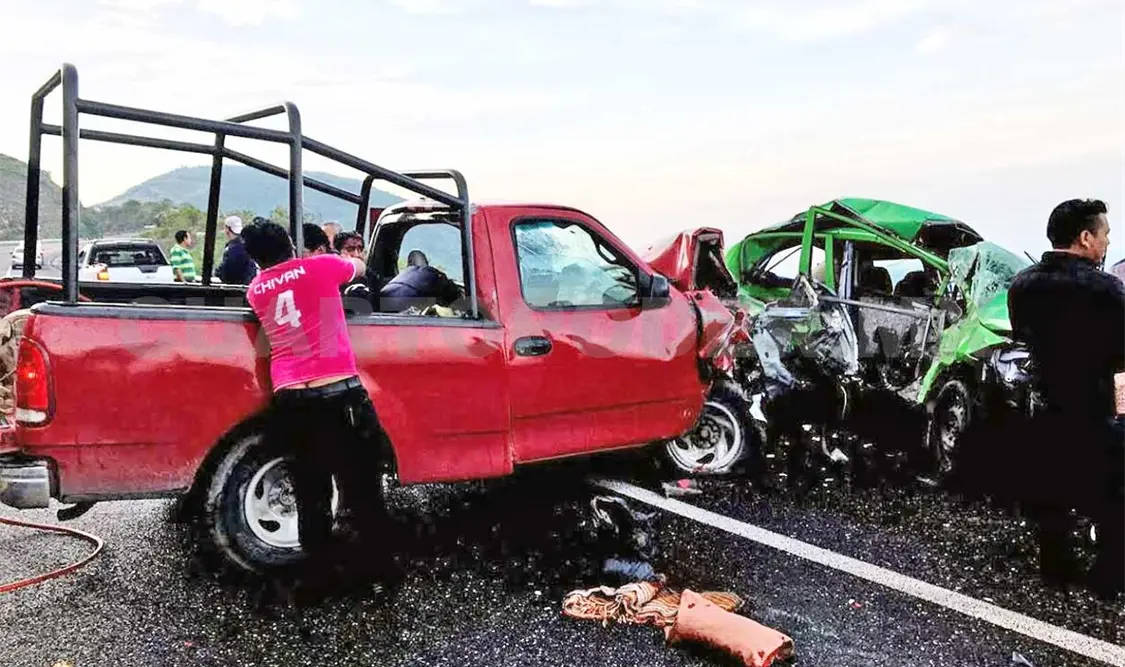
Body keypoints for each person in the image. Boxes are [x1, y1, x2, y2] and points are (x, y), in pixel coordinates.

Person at [241, 219, 392, 599]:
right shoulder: (319, 267)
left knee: (311, 490)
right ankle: (375, 574)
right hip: (338, 391)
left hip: (291, 398)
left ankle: (320, 578)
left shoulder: (256, 290)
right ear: (290, 244)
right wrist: (344, 258)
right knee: (363, 486)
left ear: (255, 258)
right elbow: (359, 267)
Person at [1008, 198, 1125, 599]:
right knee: (1114, 492)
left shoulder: (1022, 285)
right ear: (1085, 236)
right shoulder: (1106, 288)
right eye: (1105, 233)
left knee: (1051, 488)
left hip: (1041, 405)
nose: (1108, 242)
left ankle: (1056, 568)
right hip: (1093, 406)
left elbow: (1022, 339)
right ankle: (1108, 577)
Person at [216, 215, 258, 285]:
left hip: (235, 290)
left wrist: (218, 272)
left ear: (227, 229)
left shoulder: (233, 248)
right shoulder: (247, 245)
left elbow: (227, 272)